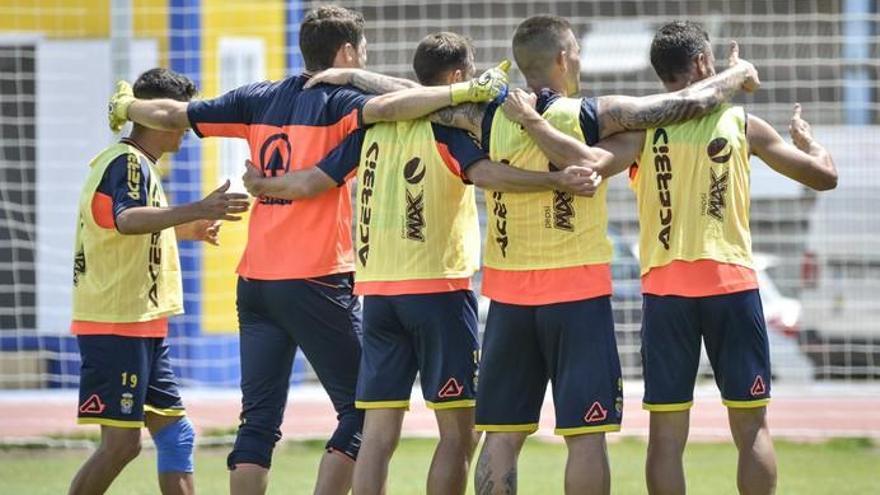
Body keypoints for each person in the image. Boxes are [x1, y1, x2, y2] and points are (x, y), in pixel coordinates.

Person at [105, 6, 508, 495]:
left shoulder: (257, 97)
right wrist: (462, 92)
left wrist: (127, 106)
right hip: (318, 277)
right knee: (363, 412)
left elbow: (171, 113)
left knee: (257, 421)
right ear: (346, 53)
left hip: (255, 281)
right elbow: (395, 106)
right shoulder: (342, 101)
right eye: (361, 51)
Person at [412, 14, 760, 495]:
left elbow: (415, 98)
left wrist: (349, 77)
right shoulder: (594, 113)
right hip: (577, 296)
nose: (579, 59)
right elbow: (689, 102)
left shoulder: (485, 116)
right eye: (575, 51)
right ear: (561, 57)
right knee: (585, 437)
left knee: (501, 436)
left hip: (509, 297)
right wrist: (736, 75)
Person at [242, 32, 599, 495]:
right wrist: (553, 182)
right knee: (459, 431)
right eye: (467, 75)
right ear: (455, 78)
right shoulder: (446, 127)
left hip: (378, 297)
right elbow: (486, 174)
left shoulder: (371, 129)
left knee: (375, 433)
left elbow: (312, 180)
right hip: (437, 293)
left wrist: (263, 185)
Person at [503, 20, 837, 495]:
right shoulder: (743, 124)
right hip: (732, 287)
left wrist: (534, 124)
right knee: (752, 429)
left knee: (665, 438)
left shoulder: (643, 130)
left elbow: (587, 164)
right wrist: (810, 142)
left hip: (665, 294)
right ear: (703, 63)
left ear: (661, 75)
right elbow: (825, 177)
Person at [69, 67, 250, 495]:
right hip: (117, 323)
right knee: (120, 445)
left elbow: (118, 229)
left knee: (177, 435)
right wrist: (195, 208)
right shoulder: (128, 163)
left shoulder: (141, 166)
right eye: (178, 118)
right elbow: (128, 220)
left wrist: (188, 228)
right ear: (154, 116)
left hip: (143, 323)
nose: (184, 129)